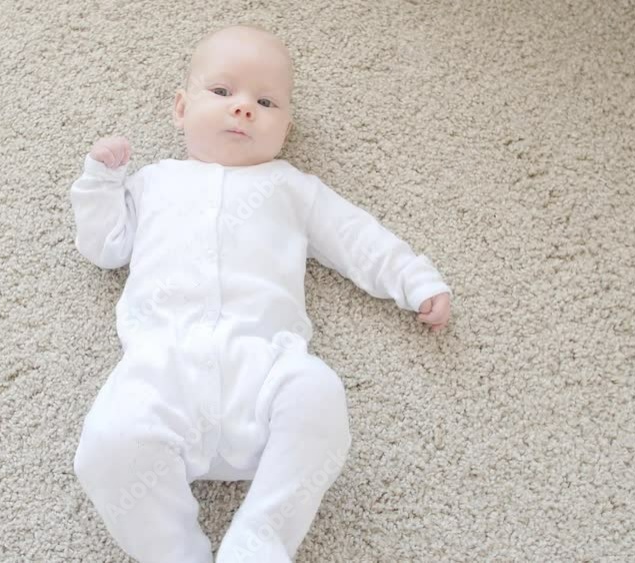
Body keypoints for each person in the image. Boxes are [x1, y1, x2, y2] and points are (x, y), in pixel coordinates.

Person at [69, 23, 452, 563]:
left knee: (319, 394)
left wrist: (414, 279)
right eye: (223, 92)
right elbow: (104, 246)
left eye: (265, 101)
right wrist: (100, 184)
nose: (243, 108)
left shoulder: (290, 187)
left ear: (286, 128)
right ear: (180, 108)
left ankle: (260, 538)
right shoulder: (154, 182)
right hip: (161, 371)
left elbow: (356, 238)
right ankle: (175, 552)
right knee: (106, 448)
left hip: (266, 367)